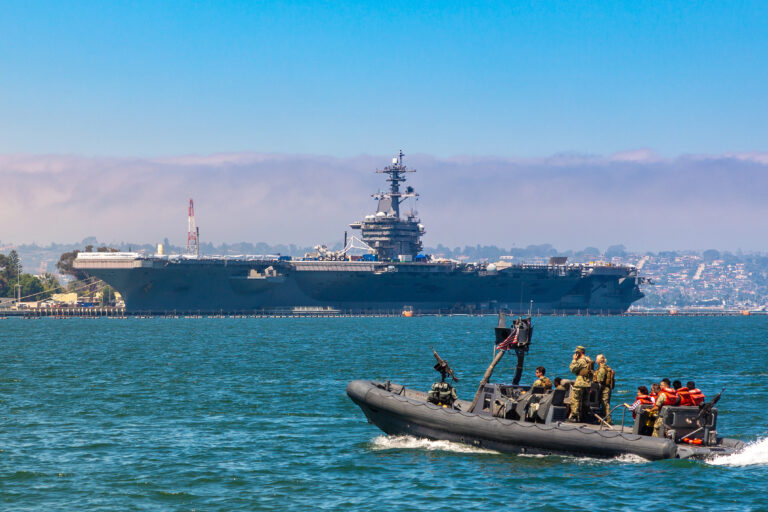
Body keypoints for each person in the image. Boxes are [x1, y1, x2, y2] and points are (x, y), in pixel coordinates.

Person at [567, 345, 594, 422]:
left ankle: (575, 417)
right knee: (585, 401)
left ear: (579, 353)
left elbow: (572, 369)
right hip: (587, 383)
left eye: (576, 352)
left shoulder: (581, 361)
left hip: (580, 383)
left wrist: (574, 360)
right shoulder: (588, 360)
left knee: (575, 400)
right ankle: (584, 416)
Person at [593, 354, 615, 424]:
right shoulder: (606, 367)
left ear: (599, 361)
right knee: (605, 404)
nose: (596, 360)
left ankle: (608, 420)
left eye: (597, 359)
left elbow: (600, 380)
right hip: (606, 389)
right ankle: (604, 418)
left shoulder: (602, 369)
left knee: (605, 404)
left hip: (604, 389)